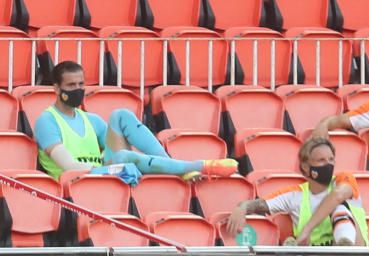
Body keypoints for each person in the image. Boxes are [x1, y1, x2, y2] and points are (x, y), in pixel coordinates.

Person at [34, 61, 237, 184]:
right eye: (71, 85)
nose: (77, 89)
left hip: (104, 174)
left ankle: (175, 167)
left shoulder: (91, 120)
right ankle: (200, 165)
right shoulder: (47, 121)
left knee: (121, 114)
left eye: (80, 84)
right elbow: (69, 167)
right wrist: (108, 168)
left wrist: (111, 165)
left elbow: (114, 148)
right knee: (123, 156)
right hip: (78, 181)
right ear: (56, 89)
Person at [225, 138, 369, 246]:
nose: (329, 164)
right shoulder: (295, 195)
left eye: (331, 159)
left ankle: (346, 252)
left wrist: (307, 230)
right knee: (290, 242)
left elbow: (337, 196)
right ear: (306, 167)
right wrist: (241, 208)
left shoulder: (343, 179)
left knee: (339, 208)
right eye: (321, 160)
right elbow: (259, 205)